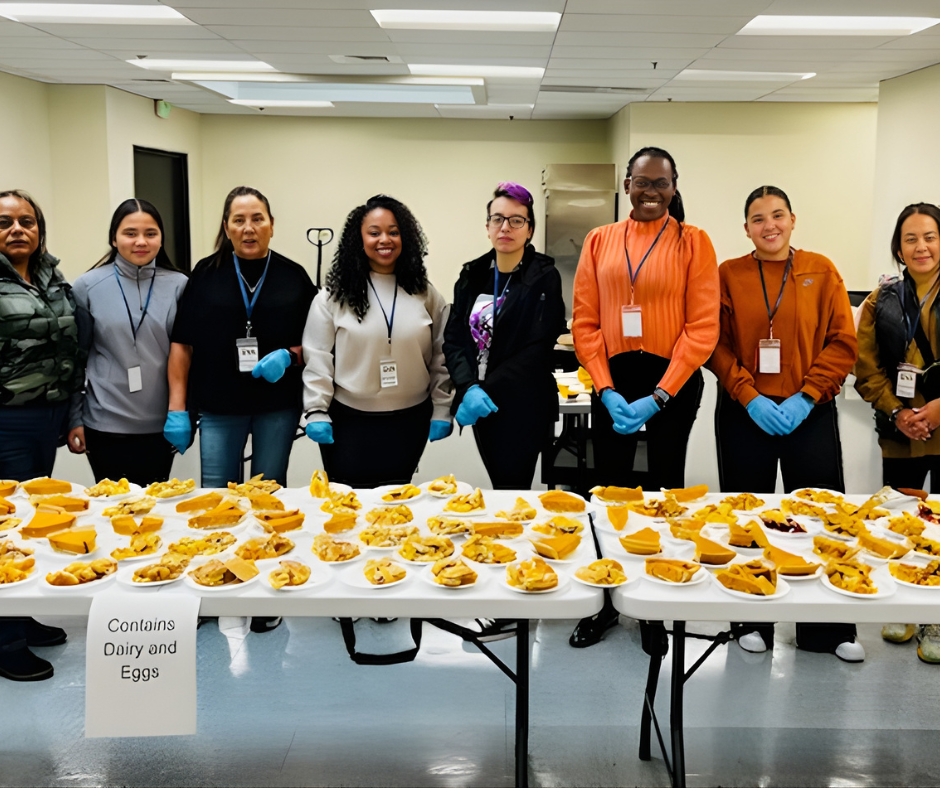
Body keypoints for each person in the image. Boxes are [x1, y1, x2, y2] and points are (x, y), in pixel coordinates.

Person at [570, 146, 720, 648]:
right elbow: (585, 321)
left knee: (664, 489)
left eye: (661, 183)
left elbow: (702, 328)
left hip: (671, 382)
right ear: (627, 186)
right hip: (613, 381)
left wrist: (659, 396)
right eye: (641, 182)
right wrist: (605, 387)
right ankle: (608, 600)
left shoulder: (694, 242)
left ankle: (657, 605)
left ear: (674, 187)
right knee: (607, 491)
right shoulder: (600, 239)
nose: (650, 192)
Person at [709, 184, 862, 662]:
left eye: (777, 215)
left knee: (817, 518)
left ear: (793, 220)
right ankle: (751, 619)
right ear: (746, 228)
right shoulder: (729, 274)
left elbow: (842, 341)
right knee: (749, 518)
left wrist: (808, 395)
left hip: (808, 411)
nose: (769, 225)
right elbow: (714, 343)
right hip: (745, 413)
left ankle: (827, 629)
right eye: (758, 218)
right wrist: (748, 395)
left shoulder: (821, 269)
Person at [165, 186, 316, 489]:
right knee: (219, 494)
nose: (249, 229)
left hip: (277, 405)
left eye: (258, 219)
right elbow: (182, 344)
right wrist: (176, 409)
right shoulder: (205, 274)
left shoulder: (293, 276)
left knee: (269, 492)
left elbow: (320, 345)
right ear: (226, 227)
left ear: (271, 225)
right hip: (218, 406)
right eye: (238, 220)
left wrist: (290, 355)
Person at [302, 194, 453, 486]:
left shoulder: (425, 292)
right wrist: (317, 409)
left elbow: (440, 354)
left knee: (396, 501)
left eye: (393, 232)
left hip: (410, 420)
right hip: (349, 421)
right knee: (350, 504)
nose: (385, 239)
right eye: (374, 232)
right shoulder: (333, 296)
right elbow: (318, 357)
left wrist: (443, 407)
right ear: (358, 239)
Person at [0, 189, 85, 681]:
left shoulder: (51, 278)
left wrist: (71, 414)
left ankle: (21, 614)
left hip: (46, 417)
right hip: (6, 419)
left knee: (33, 519)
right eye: (6, 222)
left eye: (27, 221)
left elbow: (71, 346)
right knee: (7, 527)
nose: (18, 230)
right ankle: (5, 641)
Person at [855, 202, 940, 663]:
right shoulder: (880, 298)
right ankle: (905, 602)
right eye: (911, 239)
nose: (921, 246)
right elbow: (865, 367)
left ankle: (938, 618)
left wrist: (938, 409)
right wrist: (897, 411)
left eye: (929, 236)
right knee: (900, 518)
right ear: (898, 247)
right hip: (900, 430)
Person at [443, 182, 566, 489]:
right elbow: (455, 337)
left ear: (530, 229)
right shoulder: (472, 275)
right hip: (481, 403)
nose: (505, 227)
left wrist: (484, 387)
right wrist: (468, 386)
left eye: (516, 220)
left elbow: (539, 347)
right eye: (497, 219)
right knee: (500, 484)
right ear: (487, 227)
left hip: (522, 403)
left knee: (513, 487)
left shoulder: (544, 277)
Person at [67, 199, 188, 484]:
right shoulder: (86, 286)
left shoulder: (180, 285)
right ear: (114, 238)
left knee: (154, 511)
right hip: (103, 423)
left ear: (161, 238)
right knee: (111, 511)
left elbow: (188, 355)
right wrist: (74, 418)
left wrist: (185, 414)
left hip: (162, 424)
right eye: (130, 233)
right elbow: (75, 359)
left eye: (150, 233)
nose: (141, 242)